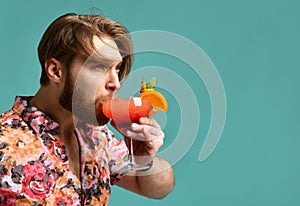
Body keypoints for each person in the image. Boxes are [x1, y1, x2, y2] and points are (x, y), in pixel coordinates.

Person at [0, 13, 174, 205]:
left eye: (117, 68)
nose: (115, 83)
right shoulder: (4, 143)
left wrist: (144, 158)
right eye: (99, 67)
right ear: (56, 71)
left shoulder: (98, 137)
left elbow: (157, 189)